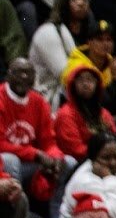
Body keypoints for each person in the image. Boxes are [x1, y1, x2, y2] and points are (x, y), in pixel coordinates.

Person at [0, 58, 69, 209]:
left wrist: (55, 157)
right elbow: (1, 144)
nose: (24, 77)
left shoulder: (39, 101)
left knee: (67, 162)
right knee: (11, 161)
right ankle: (16, 212)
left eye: (28, 73)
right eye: (19, 73)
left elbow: (48, 141)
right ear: (7, 76)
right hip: (8, 163)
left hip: (32, 161)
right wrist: (35, 154)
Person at [31, 0, 89, 105]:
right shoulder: (48, 32)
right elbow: (66, 75)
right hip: (49, 97)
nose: (80, 3)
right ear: (63, 3)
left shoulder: (90, 34)